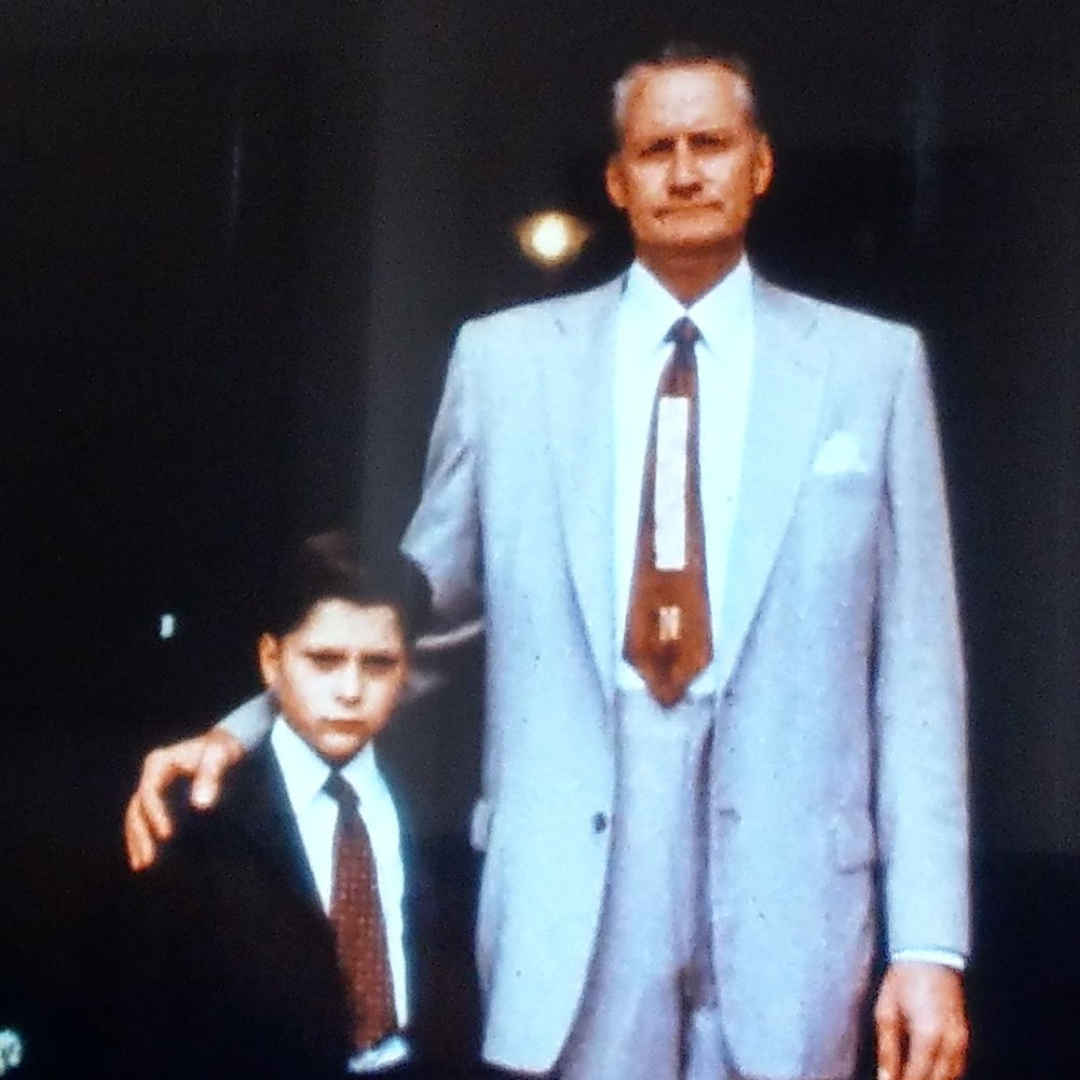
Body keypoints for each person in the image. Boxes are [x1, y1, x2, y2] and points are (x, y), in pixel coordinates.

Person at [124, 43, 970, 1080]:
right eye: (656, 148)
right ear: (618, 181)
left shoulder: (870, 369)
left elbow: (920, 678)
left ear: (761, 165)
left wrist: (927, 946)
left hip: (795, 900)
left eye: (713, 143)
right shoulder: (507, 363)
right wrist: (240, 734)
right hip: (576, 893)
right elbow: (408, 617)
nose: (686, 170)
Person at [115, 532, 453, 1080]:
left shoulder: (431, 808)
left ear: (406, 669)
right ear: (272, 660)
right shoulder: (203, 814)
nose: (350, 689)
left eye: (378, 664)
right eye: (324, 660)